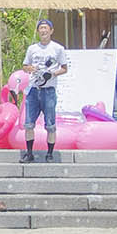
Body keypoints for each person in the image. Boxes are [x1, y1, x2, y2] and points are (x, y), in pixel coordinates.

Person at [21, 19, 70, 163]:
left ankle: (50, 153)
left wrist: (53, 74)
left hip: (49, 90)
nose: (43, 31)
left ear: (51, 31)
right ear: (38, 31)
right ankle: (29, 153)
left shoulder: (58, 48)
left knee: (50, 124)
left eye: (46, 28)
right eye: (41, 28)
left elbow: (64, 68)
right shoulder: (32, 49)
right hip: (33, 89)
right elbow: (25, 66)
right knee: (29, 123)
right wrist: (32, 69)